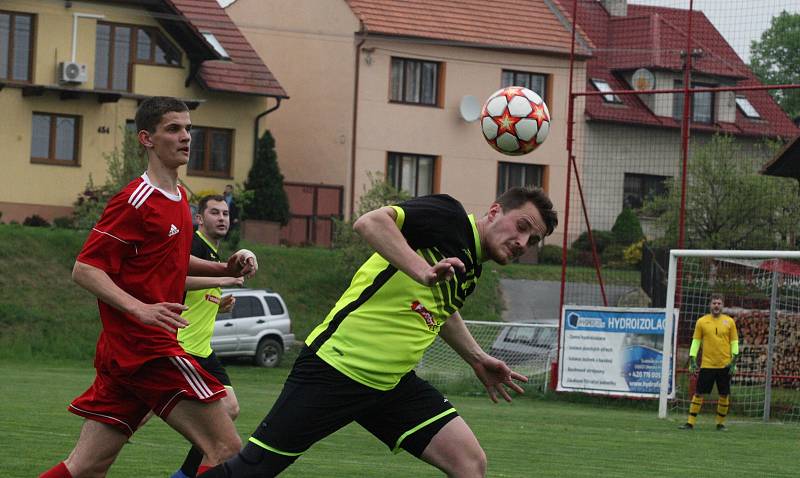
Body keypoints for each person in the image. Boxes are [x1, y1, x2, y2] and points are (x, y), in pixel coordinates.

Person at [200, 187, 558, 478]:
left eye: (534, 240)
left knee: (470, 463)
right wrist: (421, 270)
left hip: (391, 385)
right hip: (336, 368)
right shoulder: (449, 216)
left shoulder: (472, 266)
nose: (524, 242)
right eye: (522, 226)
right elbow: (370, 222)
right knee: (254, 469)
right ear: (495, 211)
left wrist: (478, 358)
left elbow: (442, 312)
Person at [40, 97, 259, 478]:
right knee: (225, 449)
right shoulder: (136, 200)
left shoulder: (180, 198)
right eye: (173, 129)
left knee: (86, 467)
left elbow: (172, 260)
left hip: (127, 354)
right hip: (146, 349)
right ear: (147, 138)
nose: (186, 137)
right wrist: (139, 309)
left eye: (188, 128)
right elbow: (85, 268)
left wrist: (225, 268)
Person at [171, 194, 245, 478]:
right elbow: (178, 276)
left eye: (225, 214)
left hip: (203, 349)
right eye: (214, 213)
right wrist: (223, 278)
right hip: (183, 346)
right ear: (200, 219)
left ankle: (186, 474)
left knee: (230, 408)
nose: (222, 218)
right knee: (139, 413)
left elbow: (196, 295)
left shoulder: (213, 254)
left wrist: (219, 305)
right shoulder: (195, 243)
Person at [679, 293, 739, 431]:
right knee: (699, 393)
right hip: (707, 365)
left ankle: (720, 423)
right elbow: (696, 341)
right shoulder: (701, 321)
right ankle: (690, 423)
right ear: (710, 305)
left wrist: (734, 358)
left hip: (725, 365)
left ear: (723, 305)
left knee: (724, 394)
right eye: (714, 303)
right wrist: (692, 358)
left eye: (719, 303)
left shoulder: (729, 322)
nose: (716, 306)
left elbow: (734, 341)